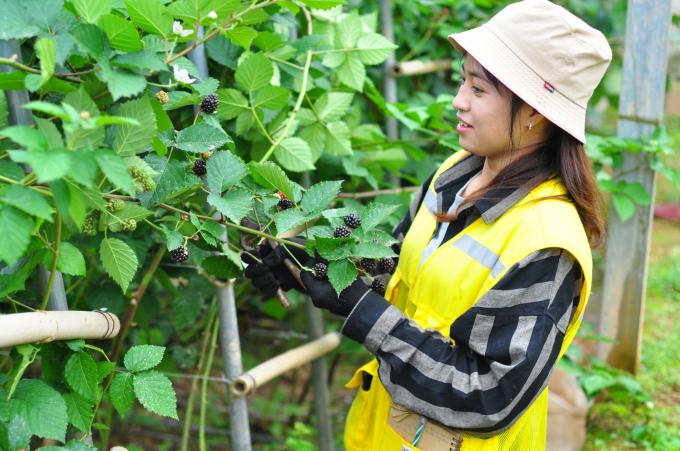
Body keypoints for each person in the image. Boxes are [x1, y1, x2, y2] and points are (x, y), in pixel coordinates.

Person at [242, 0, 612, 449]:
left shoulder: (547, 244)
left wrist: (365, 314)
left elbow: (490, 395)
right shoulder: (455, 175)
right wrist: (305, 266)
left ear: (534, 110)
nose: (458, 101)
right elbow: (400, 270)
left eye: (478, 89)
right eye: (463, 80)